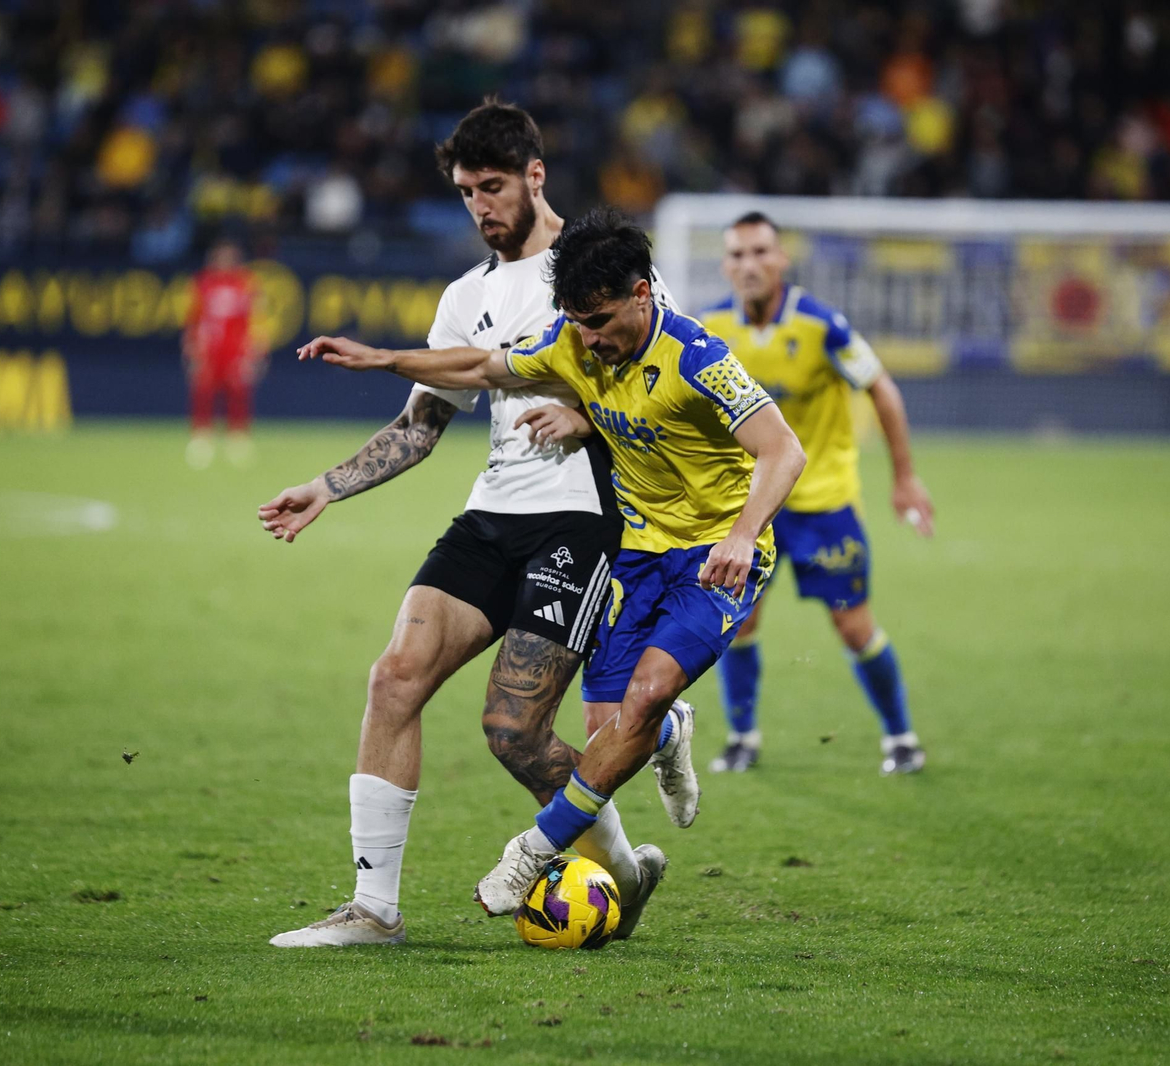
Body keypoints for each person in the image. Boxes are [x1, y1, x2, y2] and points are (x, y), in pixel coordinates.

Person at [299, 206, 807, 914]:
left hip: (717, 556)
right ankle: (670, 734)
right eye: (575, 321)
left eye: (597, 320)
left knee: (647, 690)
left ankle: (530, 852)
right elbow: (481, 365)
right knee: (612, 731)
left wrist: (743, 534)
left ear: (642, 293)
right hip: (637, 552)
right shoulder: (573, 341)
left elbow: (784, 449)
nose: (586, 339)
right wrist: (384, 358)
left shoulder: (698, 355)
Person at [257, 103, 677, 948]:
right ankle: (373, 911)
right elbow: (422, 425)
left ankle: (626, 872)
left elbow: (667, 381)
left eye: (492, 188)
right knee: (394, 678)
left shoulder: (600, 266)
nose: (480, 207)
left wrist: (588, 420)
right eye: (464, 193)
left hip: (582, 521)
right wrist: (327, 487)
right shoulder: (466, 296)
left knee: (513, 733)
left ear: (535, 175)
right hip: (493, 515)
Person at [699, 212, 935, 776]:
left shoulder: (821, 325)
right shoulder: (708, 328)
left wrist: (903, 477)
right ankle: (742, 738)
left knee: (853, 626)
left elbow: (881, 387)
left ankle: (901, 737)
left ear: (781, 260)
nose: (748, 264)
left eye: (760, 252)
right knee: (740, 624)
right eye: (736, 254)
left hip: (824, 502)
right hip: (752, 508)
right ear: (725, 264)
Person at [184, 237, 263, 468]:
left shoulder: (245, 283)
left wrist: (253, 349)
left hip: (235, 349)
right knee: (204, 390)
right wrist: (191, 346)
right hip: (209, 348)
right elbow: (193, 317)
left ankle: (237, 438)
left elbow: (253, 319)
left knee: (238, 391)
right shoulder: (203, 283)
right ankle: (202, 438)